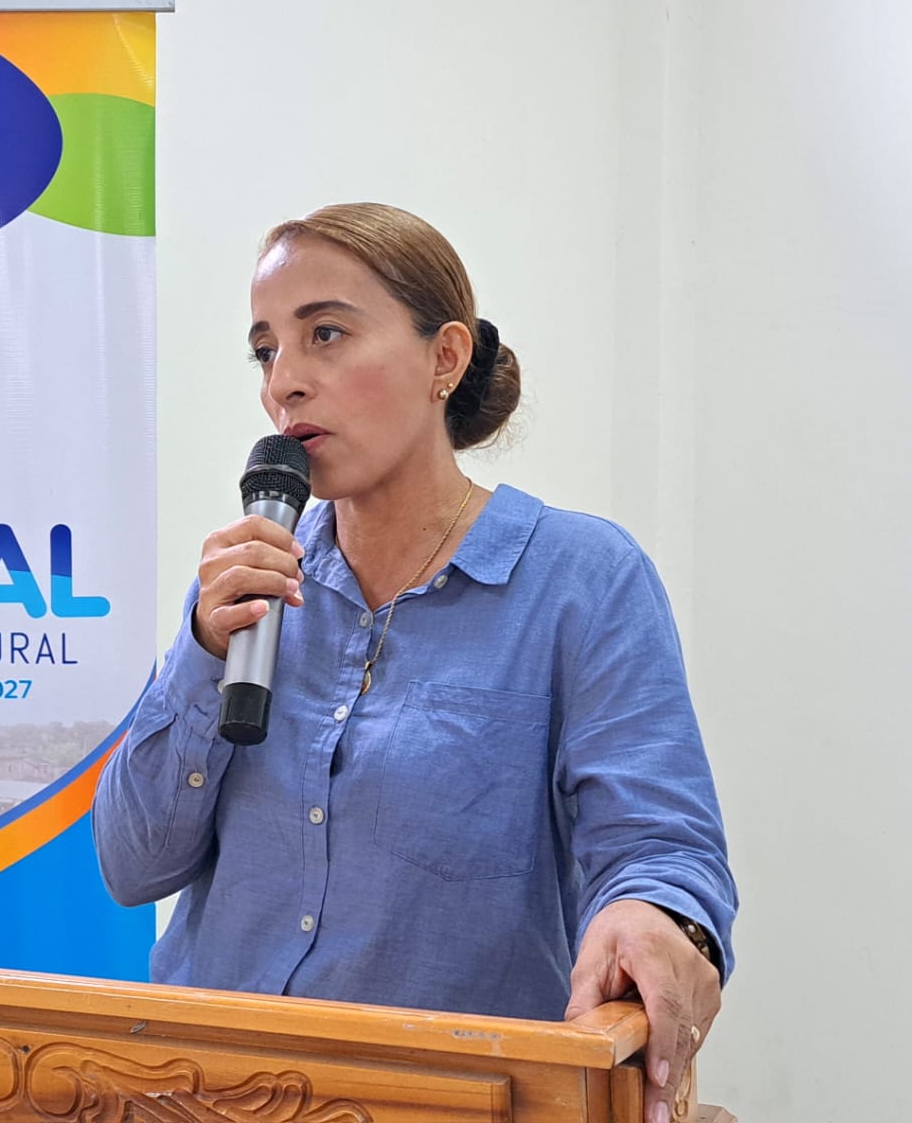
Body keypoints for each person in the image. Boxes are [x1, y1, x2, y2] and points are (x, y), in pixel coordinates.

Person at [92, 202, 737, 1123]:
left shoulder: (581, 580)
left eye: (325, 334)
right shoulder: (249, 590)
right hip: (203, 1090)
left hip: (453, 1099)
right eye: (265, 351)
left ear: (446, 358)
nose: (285, 384)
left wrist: (648, 914)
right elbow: (132, 866)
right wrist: (201, 652)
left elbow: (660, 846)